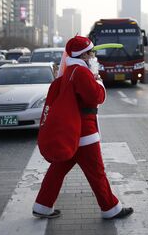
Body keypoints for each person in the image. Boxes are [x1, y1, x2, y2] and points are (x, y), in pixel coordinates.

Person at [33, 36, 134, 220]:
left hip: (71, 131)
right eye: (91, 52)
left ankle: (43, 206)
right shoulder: (81, 72)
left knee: (57, 170)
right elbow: (96, 97)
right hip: (84, 132)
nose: (93, 55)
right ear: (84, 55)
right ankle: (110, 208)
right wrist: (99, 81)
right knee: (97, 173)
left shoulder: (70, 71)